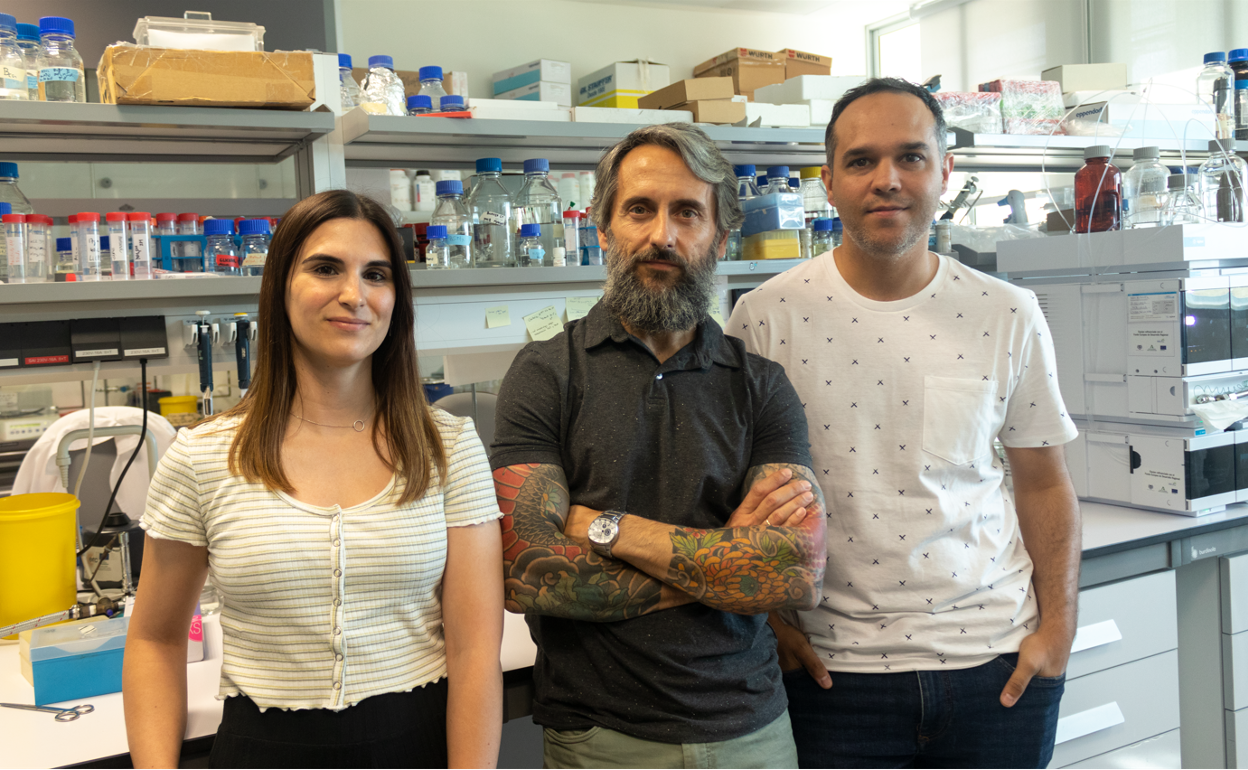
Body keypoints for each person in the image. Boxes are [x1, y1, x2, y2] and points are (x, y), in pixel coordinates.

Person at [729, 78, 1081, 769]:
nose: (887, 180)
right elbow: (734, 496)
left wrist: (1060, 626)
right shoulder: (765, 318)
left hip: (997, 669)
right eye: (861, 161)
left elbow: (1044, 484)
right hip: (833, 679)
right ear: (827, 183)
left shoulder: (1009, 313)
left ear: (946, 172)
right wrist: (769, 624)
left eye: (911, 158)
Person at [123, 190, 503, 769]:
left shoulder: (446, 448)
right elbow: (155, 639)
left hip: (417, 744)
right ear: (280, 287)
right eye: (326, 268)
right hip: (263, 749)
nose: (354, 295)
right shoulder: (202, 456)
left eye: (376, 275)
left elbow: (476, 651)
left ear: (396, 300)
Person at [490, 123, 828, 769]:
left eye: (687, 213)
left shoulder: (760, 385)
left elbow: (793, 572)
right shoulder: (546, 373)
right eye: (640, 209)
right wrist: (726, 569)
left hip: (752, 733)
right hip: (599, 739)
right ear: (604, 230)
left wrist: (603, 528)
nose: (661, 235)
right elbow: (530, 573)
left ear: (720, 237)